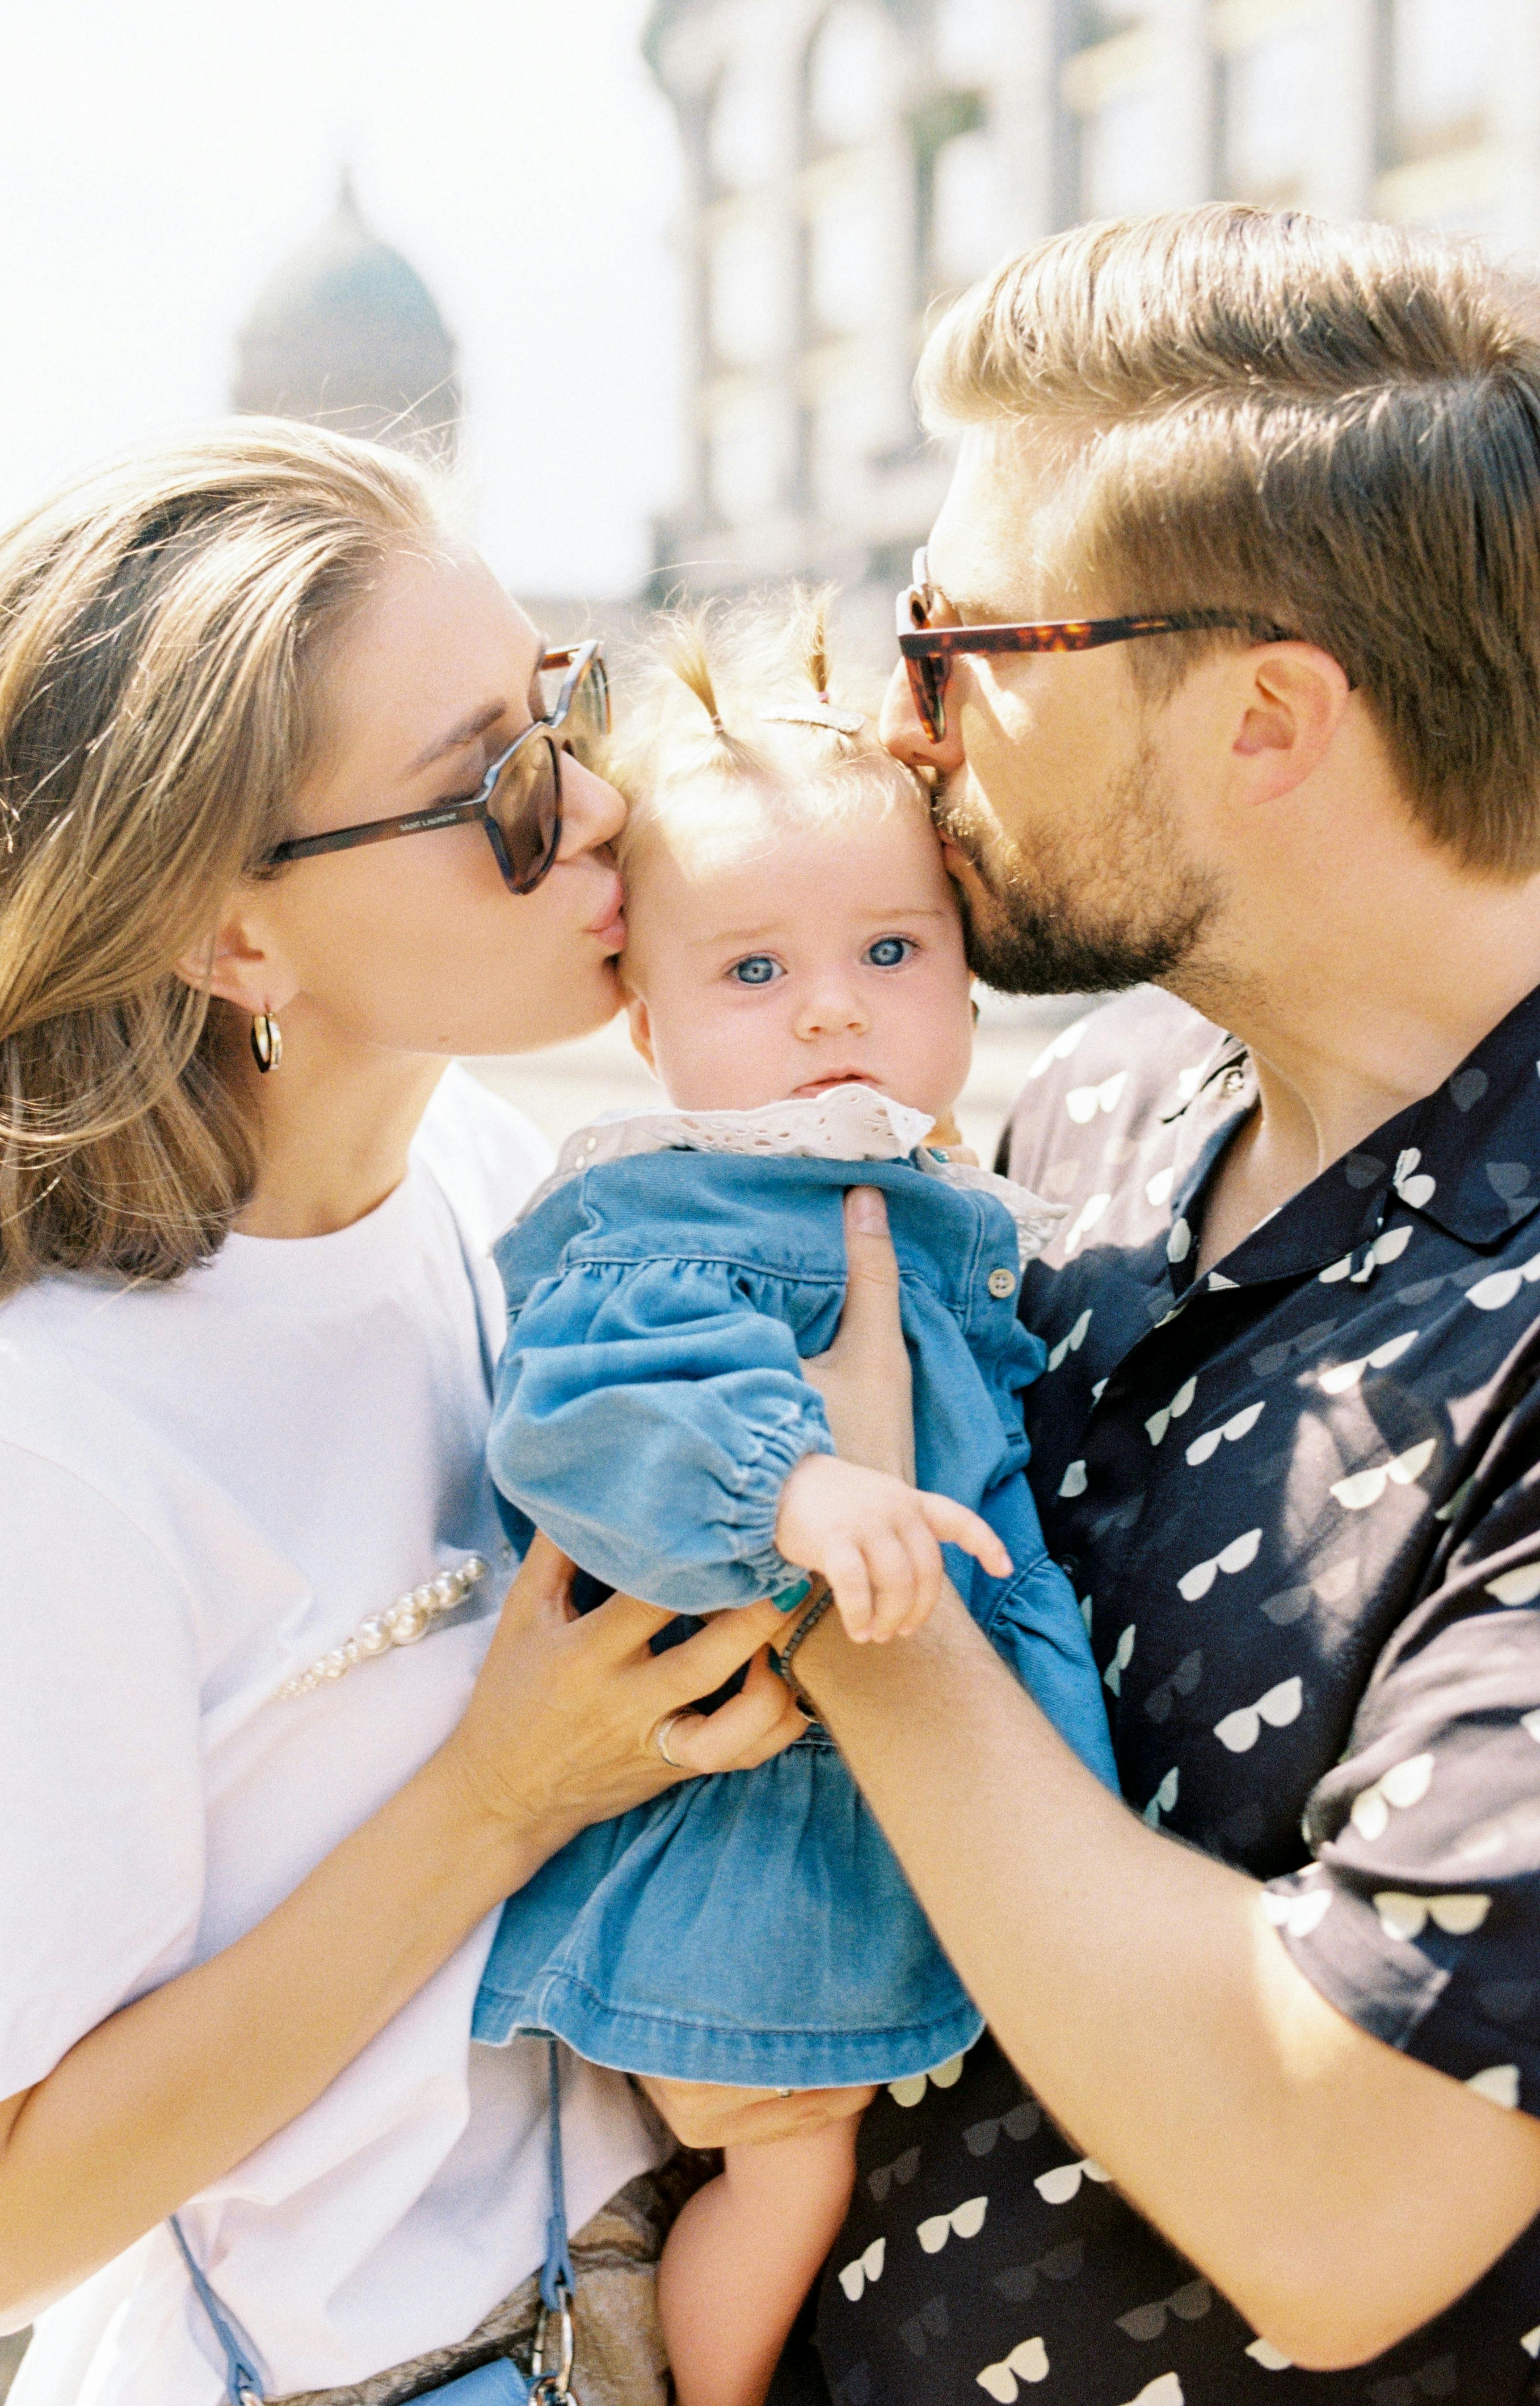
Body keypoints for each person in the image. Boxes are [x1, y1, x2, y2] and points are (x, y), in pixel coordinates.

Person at [651, 206, 1540, 2400]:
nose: (900, 721)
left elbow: (1336, 2194)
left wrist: (854, 1585)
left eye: (963, 643)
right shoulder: (1106, 1100)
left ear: (1260, 718)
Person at [0, 422, 816, 2406]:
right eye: (488, 789)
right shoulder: (45, 1433)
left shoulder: (496, 1185)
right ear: (232, 930)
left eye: (558, 715)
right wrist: (495, 1793)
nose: (591, 812)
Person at [471, 600, 1117, 2406]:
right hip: (747, 1865)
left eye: (889, 948)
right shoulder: (671, 1215)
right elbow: (592, 1412)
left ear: (967, 977)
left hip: (878, 1821)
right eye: (751, 972)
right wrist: (796, 1477)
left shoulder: (918, 1186)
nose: (831, 1002)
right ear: (643, 1012)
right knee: (787, 2164)